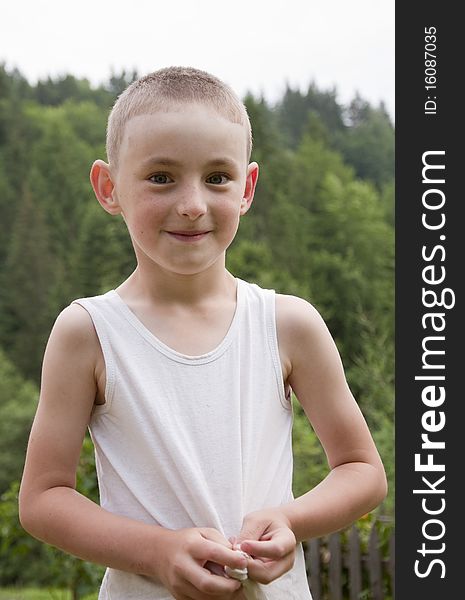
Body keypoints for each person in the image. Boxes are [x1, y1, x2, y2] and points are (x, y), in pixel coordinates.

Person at [18, 66, 387, 600]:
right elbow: (44, 499)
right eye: (161, 177)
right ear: (108, 187)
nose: (192, 204)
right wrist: (158, 552)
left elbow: (362, 471)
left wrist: (289, 520)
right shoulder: (89, 333)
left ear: (247, 188)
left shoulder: (288, 324)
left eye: (217, 177)